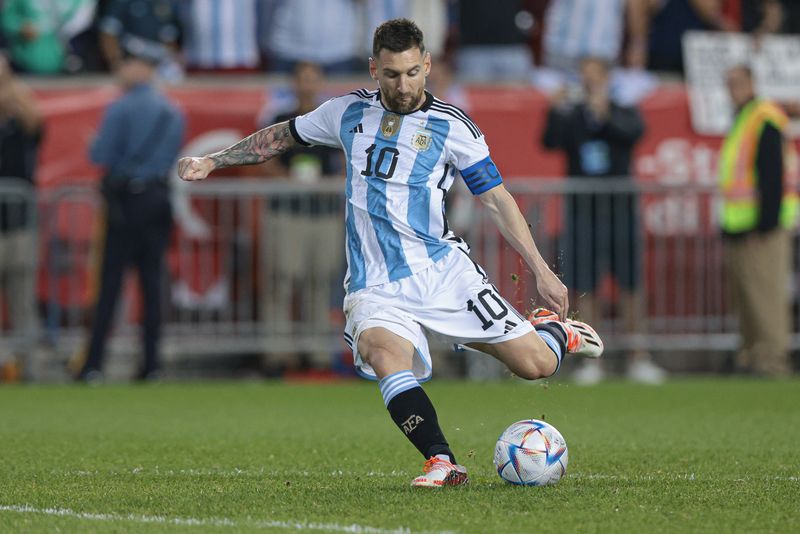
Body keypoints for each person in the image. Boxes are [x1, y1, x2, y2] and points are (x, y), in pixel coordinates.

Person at [178, 19, 603, 488]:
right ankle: (441, 460)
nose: (403, 85)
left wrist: (540, 270)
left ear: (426, 66)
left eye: (411, 73)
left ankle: (554, 333)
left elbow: (497, 200)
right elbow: (280, 137)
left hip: (442, 271)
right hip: (374, 282)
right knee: (383, 354)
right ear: (373, 69)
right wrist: (214, 160)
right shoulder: (344, 113)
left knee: (534, 366)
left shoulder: (453, 127)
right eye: (391, 75)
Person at [542, 56, 666, 385]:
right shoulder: (573, 114)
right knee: (585, 285)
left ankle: (638, 356)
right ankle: (591, 359)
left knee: (630, 283)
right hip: (583, 213)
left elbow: (635, 133)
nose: (590, 83)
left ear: (608, 79)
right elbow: (550, 141)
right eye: (585, 76)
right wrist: (555, 109)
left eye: (595, 76)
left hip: (620, 210)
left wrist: (604, 113)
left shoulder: (621, 109)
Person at [74, 41, 185, 383]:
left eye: (127, 63)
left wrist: (93, 143)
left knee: (110, 285)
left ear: (142, 67)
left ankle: (93, 364)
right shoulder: (172, 111)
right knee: (152, 285)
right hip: (157, 198)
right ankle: (151, 364)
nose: (121, 70)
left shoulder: (120, 109)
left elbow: (100, 155)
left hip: (126, 202)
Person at [259, 61, 344, 374]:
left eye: (313, 78)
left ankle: (317, 350)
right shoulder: (280, 120)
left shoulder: (332, 120)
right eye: (302, 79)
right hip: (287, 211)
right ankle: (275, 351)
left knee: (319, 282)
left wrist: (335, 184)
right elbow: (263, 159)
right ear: (294, 83)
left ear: (319, 82)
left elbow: (350, 158)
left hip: (322, 213)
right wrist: (285, 180)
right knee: (281, 280)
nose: (307, 85)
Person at [719, 65, 797, 377]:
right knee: (749, 299)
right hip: (742, 226)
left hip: (761, 228)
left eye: (738, 82)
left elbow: (772, 177)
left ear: (752, 83)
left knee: (766, 297)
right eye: (729, 83)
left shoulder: (762, 118)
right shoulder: (746, 117)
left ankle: (773, 361)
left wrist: (764, 225)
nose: (732, 88)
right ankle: (752, 357)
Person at [0, 54, 43, 379]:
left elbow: (36, 123)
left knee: (22, 298)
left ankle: (28, 368)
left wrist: (10, 83)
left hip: (18, 223)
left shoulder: (20, 123)